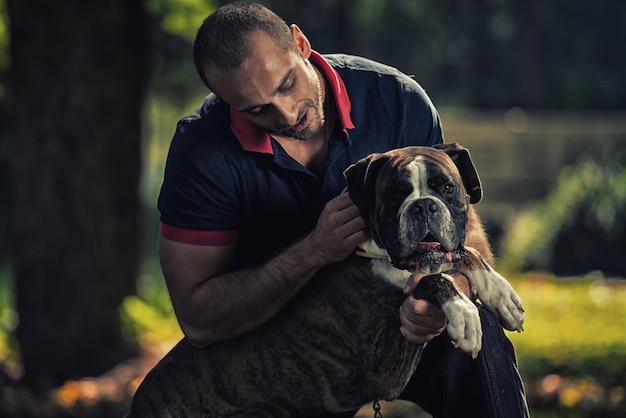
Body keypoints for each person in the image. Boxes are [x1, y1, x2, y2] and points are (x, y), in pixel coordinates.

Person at [157, 3, 529, 417]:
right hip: (287, 356)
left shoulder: (397, 100)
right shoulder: (202, 152)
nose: (285, 114)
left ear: (300, 43)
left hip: (404, 315)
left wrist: (448, 292)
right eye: (255, 109)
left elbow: (457, 220)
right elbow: (199, 318)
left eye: (286, 85)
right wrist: (314, 250)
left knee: (479, 336)